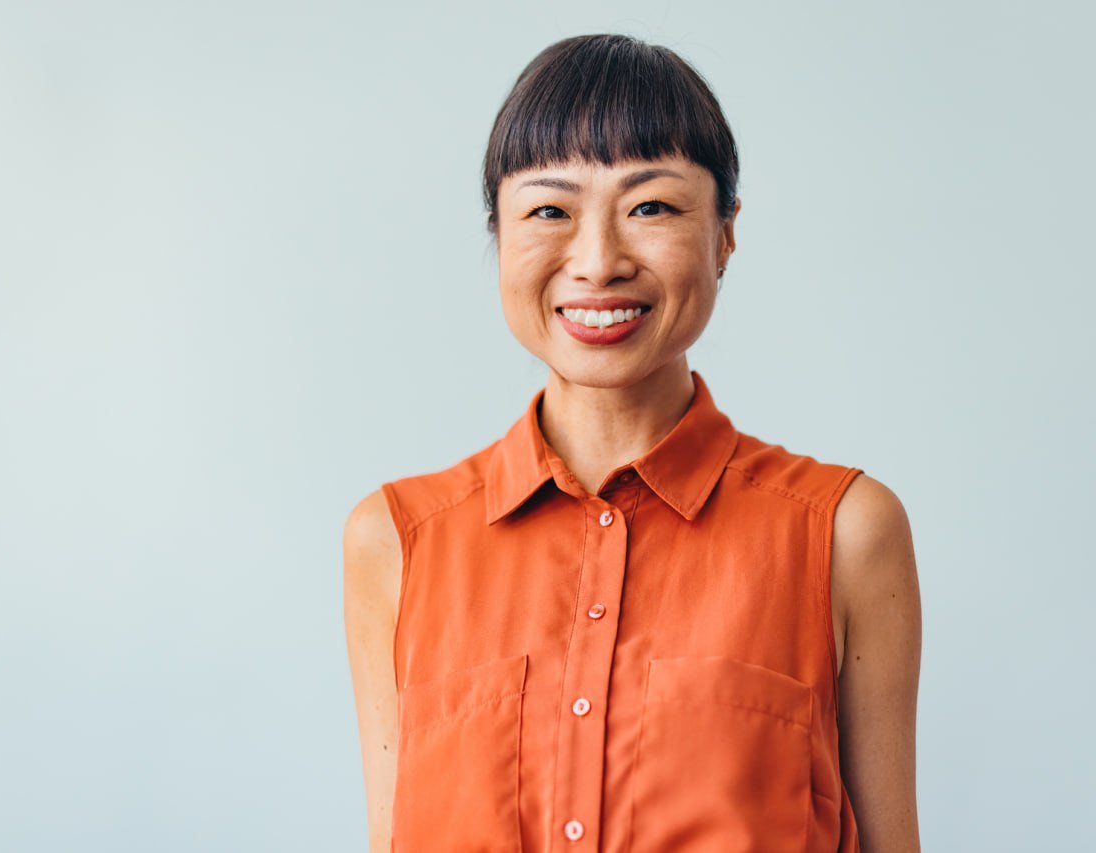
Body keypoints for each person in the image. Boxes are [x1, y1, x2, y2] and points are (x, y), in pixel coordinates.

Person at [344, 33, 921, 853]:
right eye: (550, 210)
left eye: (651, 206)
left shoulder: (845, 532)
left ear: (725, 235)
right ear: (498, 236)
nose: (598, 261)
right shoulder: (394, 542)